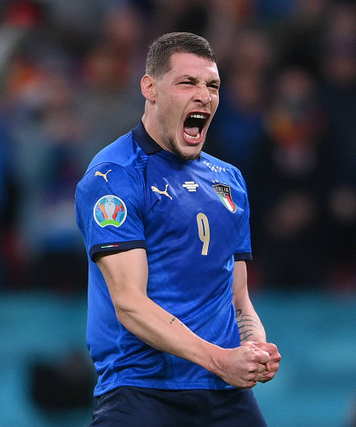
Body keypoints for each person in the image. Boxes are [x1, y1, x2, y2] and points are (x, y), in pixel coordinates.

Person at [75, 32, 281, 426]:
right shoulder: (113, 178)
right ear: (149, 88)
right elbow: (129, 304)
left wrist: (253, 346)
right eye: (188, 82)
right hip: (141, 392)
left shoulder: (229, 182)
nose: (203, 95)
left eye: (213, 85)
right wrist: (221, 360)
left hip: (224, 396)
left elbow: (238, 297)